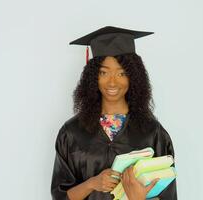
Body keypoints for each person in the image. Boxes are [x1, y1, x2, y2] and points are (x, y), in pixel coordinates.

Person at [51, 26, 178, 200]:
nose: (112, 82)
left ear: (133, 76)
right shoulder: (72, 132)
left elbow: (168, 196)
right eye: (104, 72)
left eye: (122, 73)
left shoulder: (152, 133)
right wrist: (92, 183)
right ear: (93, 76)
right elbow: (60, 196)